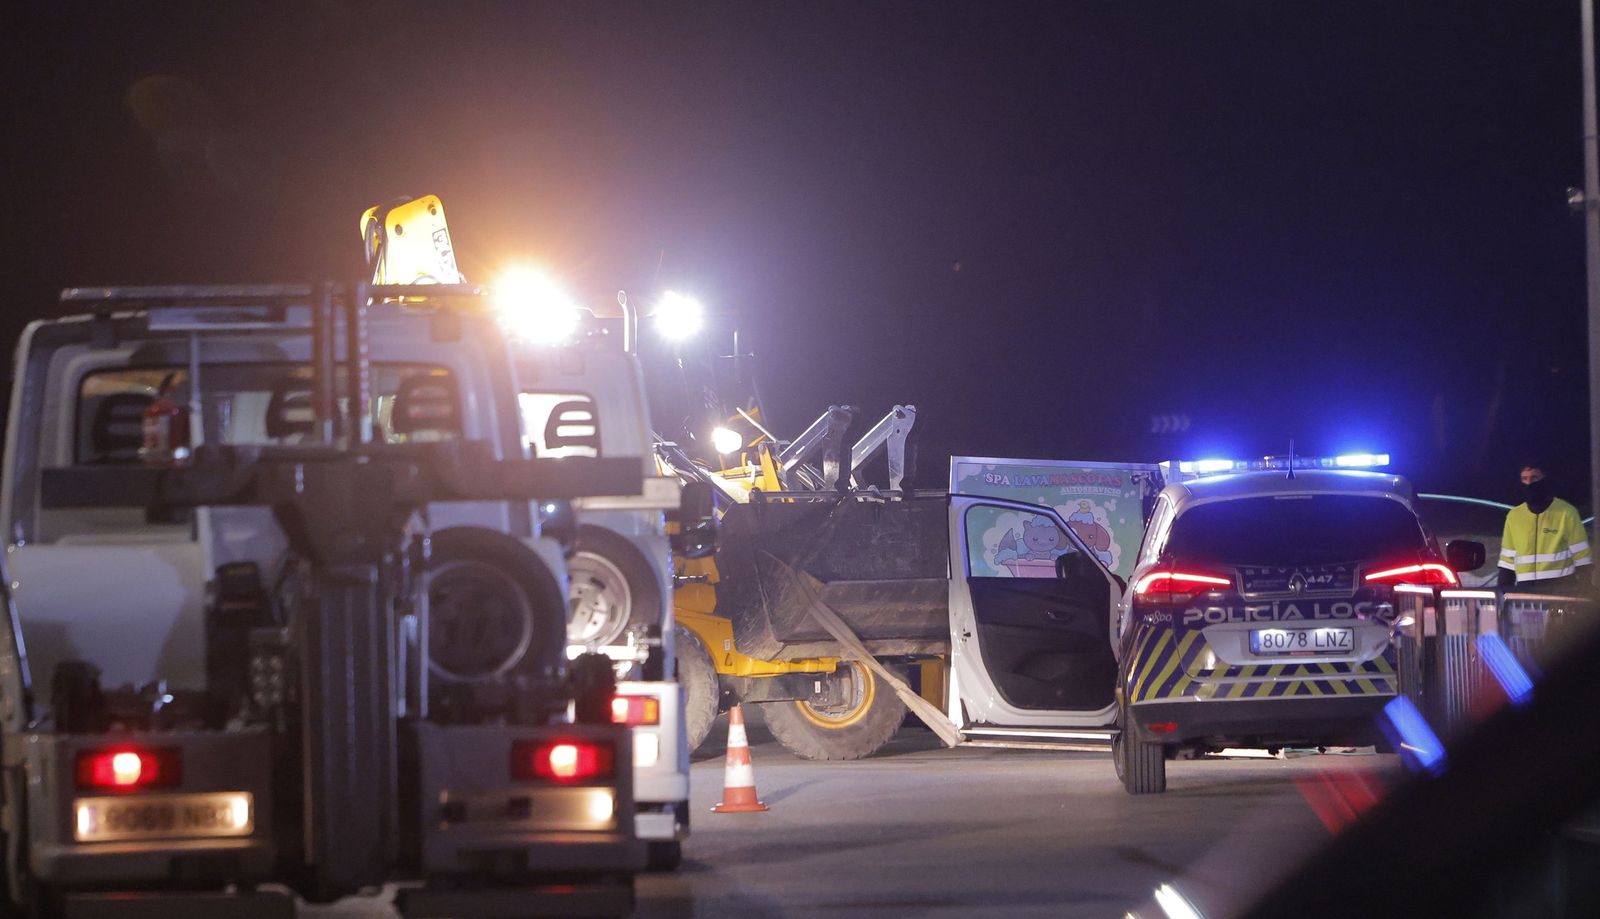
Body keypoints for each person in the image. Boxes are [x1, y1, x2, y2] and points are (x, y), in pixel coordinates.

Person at [1497, 461, 1591, 590]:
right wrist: (1502, 592)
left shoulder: (1566, 512)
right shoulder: (1514, 516)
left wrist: (1585, 592)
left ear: (1545, 480)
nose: (1529, 483)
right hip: (1525, 591)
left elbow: (1582, 558)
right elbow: (1507, 563)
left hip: (1561, 590)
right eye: (1524, 478)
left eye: (1534, 478)